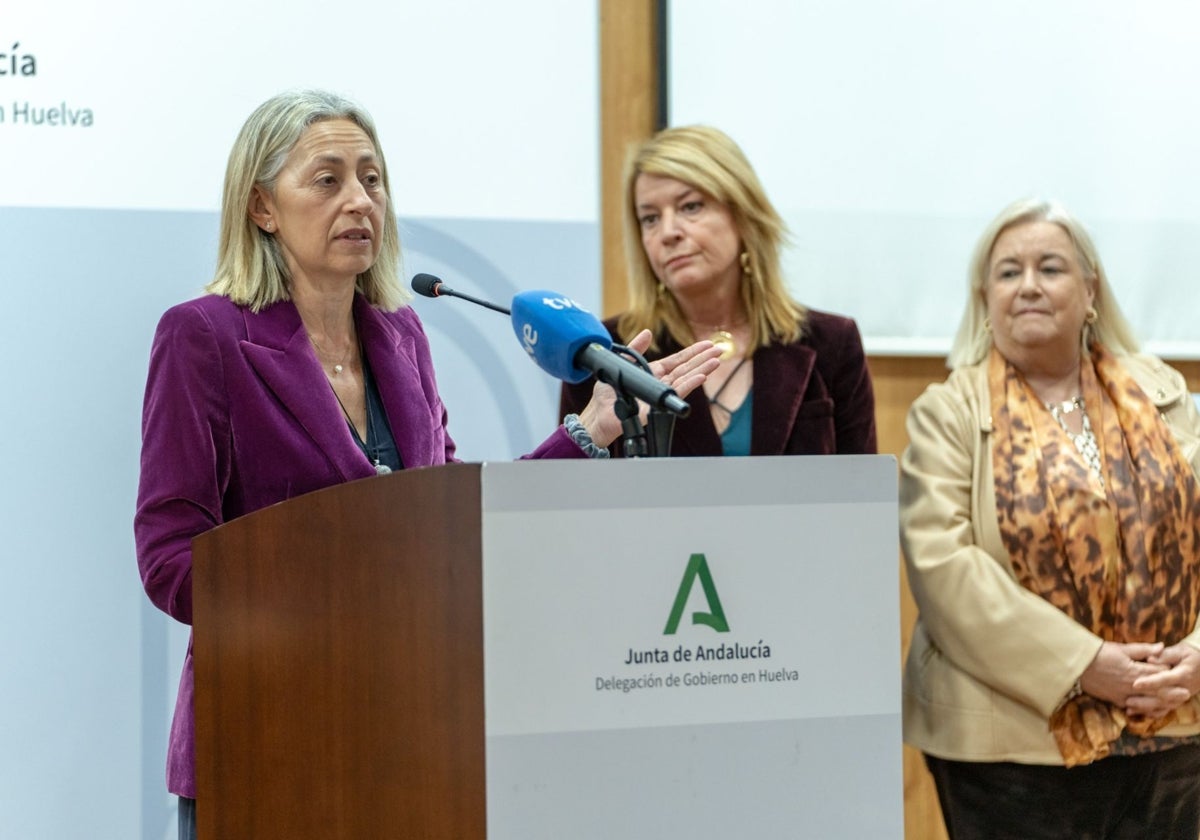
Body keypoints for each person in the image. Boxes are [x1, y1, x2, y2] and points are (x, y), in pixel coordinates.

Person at [134, 89, 721, 840]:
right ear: (261, 207)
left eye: (372, 180)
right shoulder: (204, 336)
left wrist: (591, 430)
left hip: (406, 734)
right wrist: (333, 590)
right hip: (267, 734)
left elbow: (453, 518)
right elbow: (168, 557)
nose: (360, 201)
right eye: (328, 179)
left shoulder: (401, 335)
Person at [901, 197, 1200, 838]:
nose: (1029, 285)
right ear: (985, 297)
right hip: (1009, 747)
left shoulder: (1170, 400)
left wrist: (1198, 655)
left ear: (1091, 290)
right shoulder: (946, 413)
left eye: (1050, 268)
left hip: (1174, 727)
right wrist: (1085, 663)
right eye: (1008, 272)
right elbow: (944, 568)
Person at [559, 125, 876, 456]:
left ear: (743, 215)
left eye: (690, 207)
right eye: (650, 218)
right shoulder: (601, 354)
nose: (668, 232)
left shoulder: (832, 343)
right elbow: (573, 498)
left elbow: (864, 496)